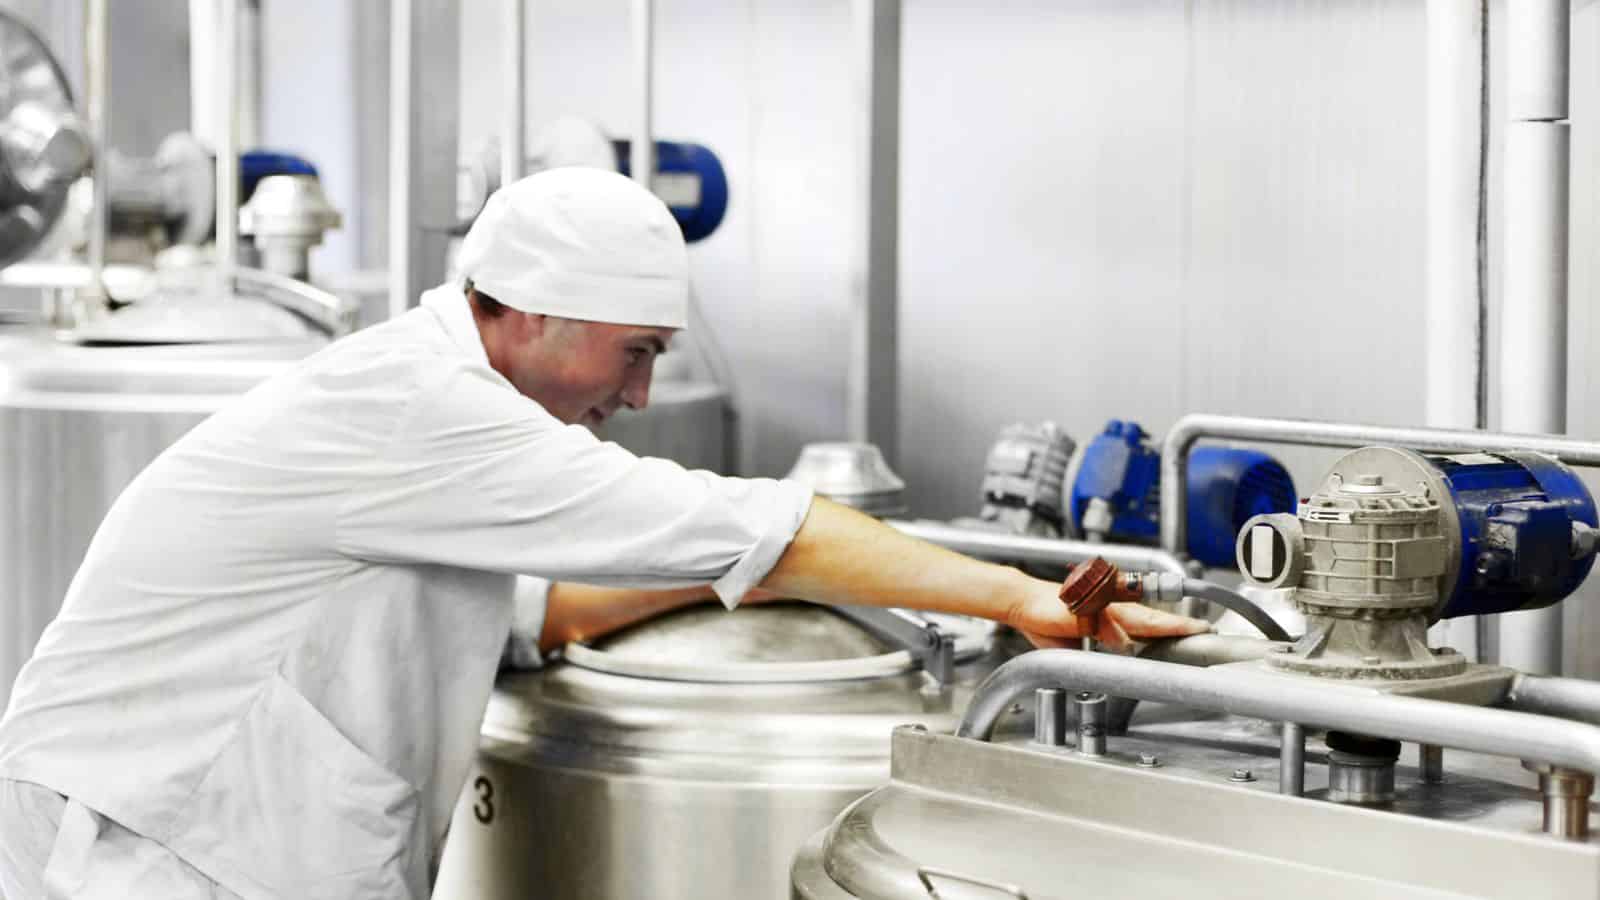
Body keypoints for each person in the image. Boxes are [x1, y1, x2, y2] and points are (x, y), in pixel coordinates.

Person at [0, 168, 1205, 899]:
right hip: (142, 845)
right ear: (529, 315)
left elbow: (556, 608)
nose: (636, 397)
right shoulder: (421, 408)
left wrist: (744, 582)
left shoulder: (440, 406)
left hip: (212, 833)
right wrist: (1010, 598)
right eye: (631, 355)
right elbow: (744, 525)